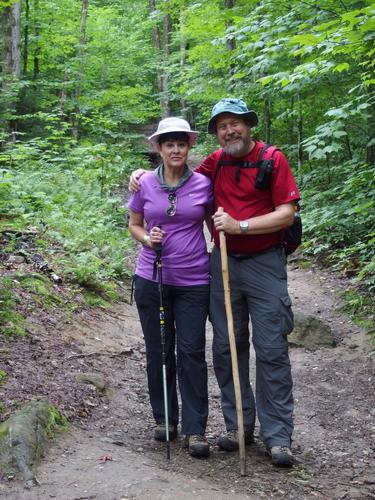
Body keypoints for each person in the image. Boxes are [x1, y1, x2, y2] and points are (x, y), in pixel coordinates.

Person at [129, 98, 300, 467]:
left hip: (264, 262)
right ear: (215, 135)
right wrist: (139, 175)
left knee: (270, 348)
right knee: (226, 347)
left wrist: (240, 227)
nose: (229, 130)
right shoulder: (216, 162)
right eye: (222, 126)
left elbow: (287, 213)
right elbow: (172, 174)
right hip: (221, 262)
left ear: (248, 125)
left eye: (235, 123)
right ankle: (239, 426)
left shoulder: (272, 159)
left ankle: (277, 436)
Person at [127, 116, 213, 458]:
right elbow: (134, 224)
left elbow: (213, 223)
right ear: (159, 148)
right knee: (159, 351)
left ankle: (196, 429)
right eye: (169, 144)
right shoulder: (144, 183)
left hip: (194, 280)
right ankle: (165, 420)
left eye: (181, 143)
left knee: (191, 352)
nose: (175, 149)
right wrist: (148, 239)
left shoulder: (204, 184)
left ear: (189, 146)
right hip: (152, 278)